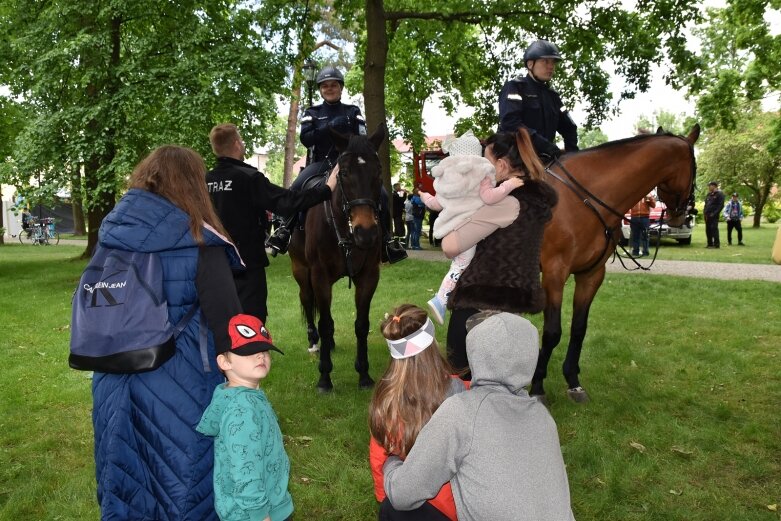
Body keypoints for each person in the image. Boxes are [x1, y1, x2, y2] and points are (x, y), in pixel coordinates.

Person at [91, 145, 246, 520]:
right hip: (182, 386)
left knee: (126, 483)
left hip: (113, 380)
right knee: (183, 487)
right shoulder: (201, 243)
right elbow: (231, 329)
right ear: (195, 185)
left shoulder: (112, 235)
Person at [382, 312, 576, 521]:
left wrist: (391, 463)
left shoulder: (462, 411)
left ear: (476, 353)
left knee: (393, 509)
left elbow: (403, 494)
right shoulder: (543, 417)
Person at [441, 129, 558, 373]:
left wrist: (454, 215)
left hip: (480, 305)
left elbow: (450, 246)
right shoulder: (535, 202)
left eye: (485, 162)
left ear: (502, 166)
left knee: (461, 378)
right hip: (513, 305)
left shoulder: (506, 201)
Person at [267, 65, 406, 263]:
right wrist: (328, 128)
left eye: (333, 85)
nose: (329, 88)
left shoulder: (353, 111)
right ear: (320, 90)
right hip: (321, 163)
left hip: (350, 162)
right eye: (325, 86)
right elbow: (306, 139)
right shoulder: (311, 112)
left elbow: (362, 138)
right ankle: (283, 230)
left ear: (340, 88)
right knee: (298, 187)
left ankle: (388, 241)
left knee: (382, 194)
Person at [206, 123, 337, 322]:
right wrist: (327, 189)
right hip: (246, 263)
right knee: (251, 320)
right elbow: (287, 202)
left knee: (221, 319)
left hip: (215, 263)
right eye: (240, 140)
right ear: (236, 144)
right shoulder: (249, 178)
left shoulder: (205, 180)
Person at [369, 304, 468, 521]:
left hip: (404, 501)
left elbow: (379, 455)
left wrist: (384, 497)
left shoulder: (385, 403)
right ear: (432, 344)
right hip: (452, 506)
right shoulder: (461, 392)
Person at [419, 130, 524, 325]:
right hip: (466, 230)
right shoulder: (481, 175)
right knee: (459, 265)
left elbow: (435, 203)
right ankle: (440, 299)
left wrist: (424, 196)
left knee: (457, 263)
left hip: (449, 228)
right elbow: (489, 197)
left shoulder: (448, 181)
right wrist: (508, 185)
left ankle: (442, 299)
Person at [197, 314, 292, 521]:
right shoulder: (243, 410)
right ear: (224, 362)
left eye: (264, 350)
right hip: (256, 514)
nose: (260, 356)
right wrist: (260, 515)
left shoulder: (241, 396)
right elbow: (245, 467)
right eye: (248, 351)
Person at [498, 39, 579, 159]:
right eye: (545, 61)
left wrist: (572, 156)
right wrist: (546, 146)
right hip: (515, 158)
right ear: (530, 64)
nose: (551, 67)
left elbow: (569, 128)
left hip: (546, 159)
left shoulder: (553, 97)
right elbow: (511, 123)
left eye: (553, 63)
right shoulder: (515, 87)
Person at [629, 192, 657, 256]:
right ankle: (635, 252)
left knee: (645, 236)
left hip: (644, 218)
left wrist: (650, 198)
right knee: (635, 236)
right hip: (634, 217)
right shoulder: (633, 195)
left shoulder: (647, 195)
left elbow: (654, 205)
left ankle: (645, 252)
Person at [704, 180, 725, 249]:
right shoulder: (709, 194)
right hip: (707, 215)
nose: (709, 187)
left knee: (714, 229)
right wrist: (705, 213)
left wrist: (714, 213)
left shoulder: (720, 194)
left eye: (710, 186)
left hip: (714, 215)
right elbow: (706, 204)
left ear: (714, 186)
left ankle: (716, 244)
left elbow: (720, 205)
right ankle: (710, 244)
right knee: (708, 230)